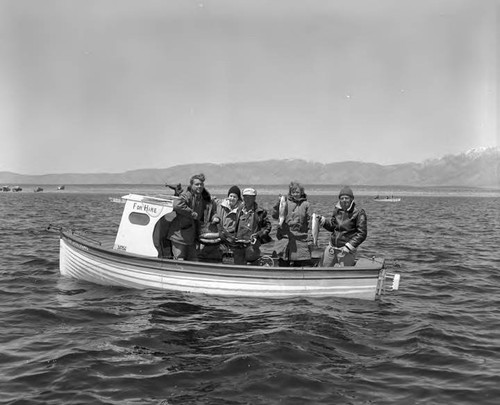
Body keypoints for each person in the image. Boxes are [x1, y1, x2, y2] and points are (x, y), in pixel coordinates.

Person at [167, 173, 215, 261]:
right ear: (191, 185)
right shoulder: (187, 195)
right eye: (197, 184)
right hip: (179, 236)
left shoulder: (201, 198)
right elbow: (177, 205)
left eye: (201, 184)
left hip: (192, 237)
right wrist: (192, 213)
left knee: (194, 261)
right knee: (179, 261)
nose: (199, 186)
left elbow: (209, 209)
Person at [318, 185, 367, 267]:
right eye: (342, 198)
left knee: (345, 274)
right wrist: (323, 222)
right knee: (322, 268)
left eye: (346, 198)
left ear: (351, 199)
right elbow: (333, 227)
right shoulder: (337, 210)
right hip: (332, 247)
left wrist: (349, 246)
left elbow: (362, 233)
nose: (344, 200)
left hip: (346, 250)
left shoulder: (359, 212)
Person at [271, 181, 311, 267]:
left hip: (300, 240)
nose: (295, 194)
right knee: (282, 264)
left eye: (297, 192)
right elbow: (275, 215)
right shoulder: (285, 202)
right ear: (290, 193)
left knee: (299, 265)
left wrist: (310, 238)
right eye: (293, 192)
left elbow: (309, 222)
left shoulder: (306, 205)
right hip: (285, 239)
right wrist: (278, 205)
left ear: (301, 193)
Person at [232, 187, 272, 265]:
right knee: (238, 267)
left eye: (250, 197)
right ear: (243, 198)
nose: (247, 199)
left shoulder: (260, 212)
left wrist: (258, 235)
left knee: (252, 265)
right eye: (246, 197)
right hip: (238, 246)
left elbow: (268, 227)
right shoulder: (238, 210)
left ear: (254, 198)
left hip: (252, 246)